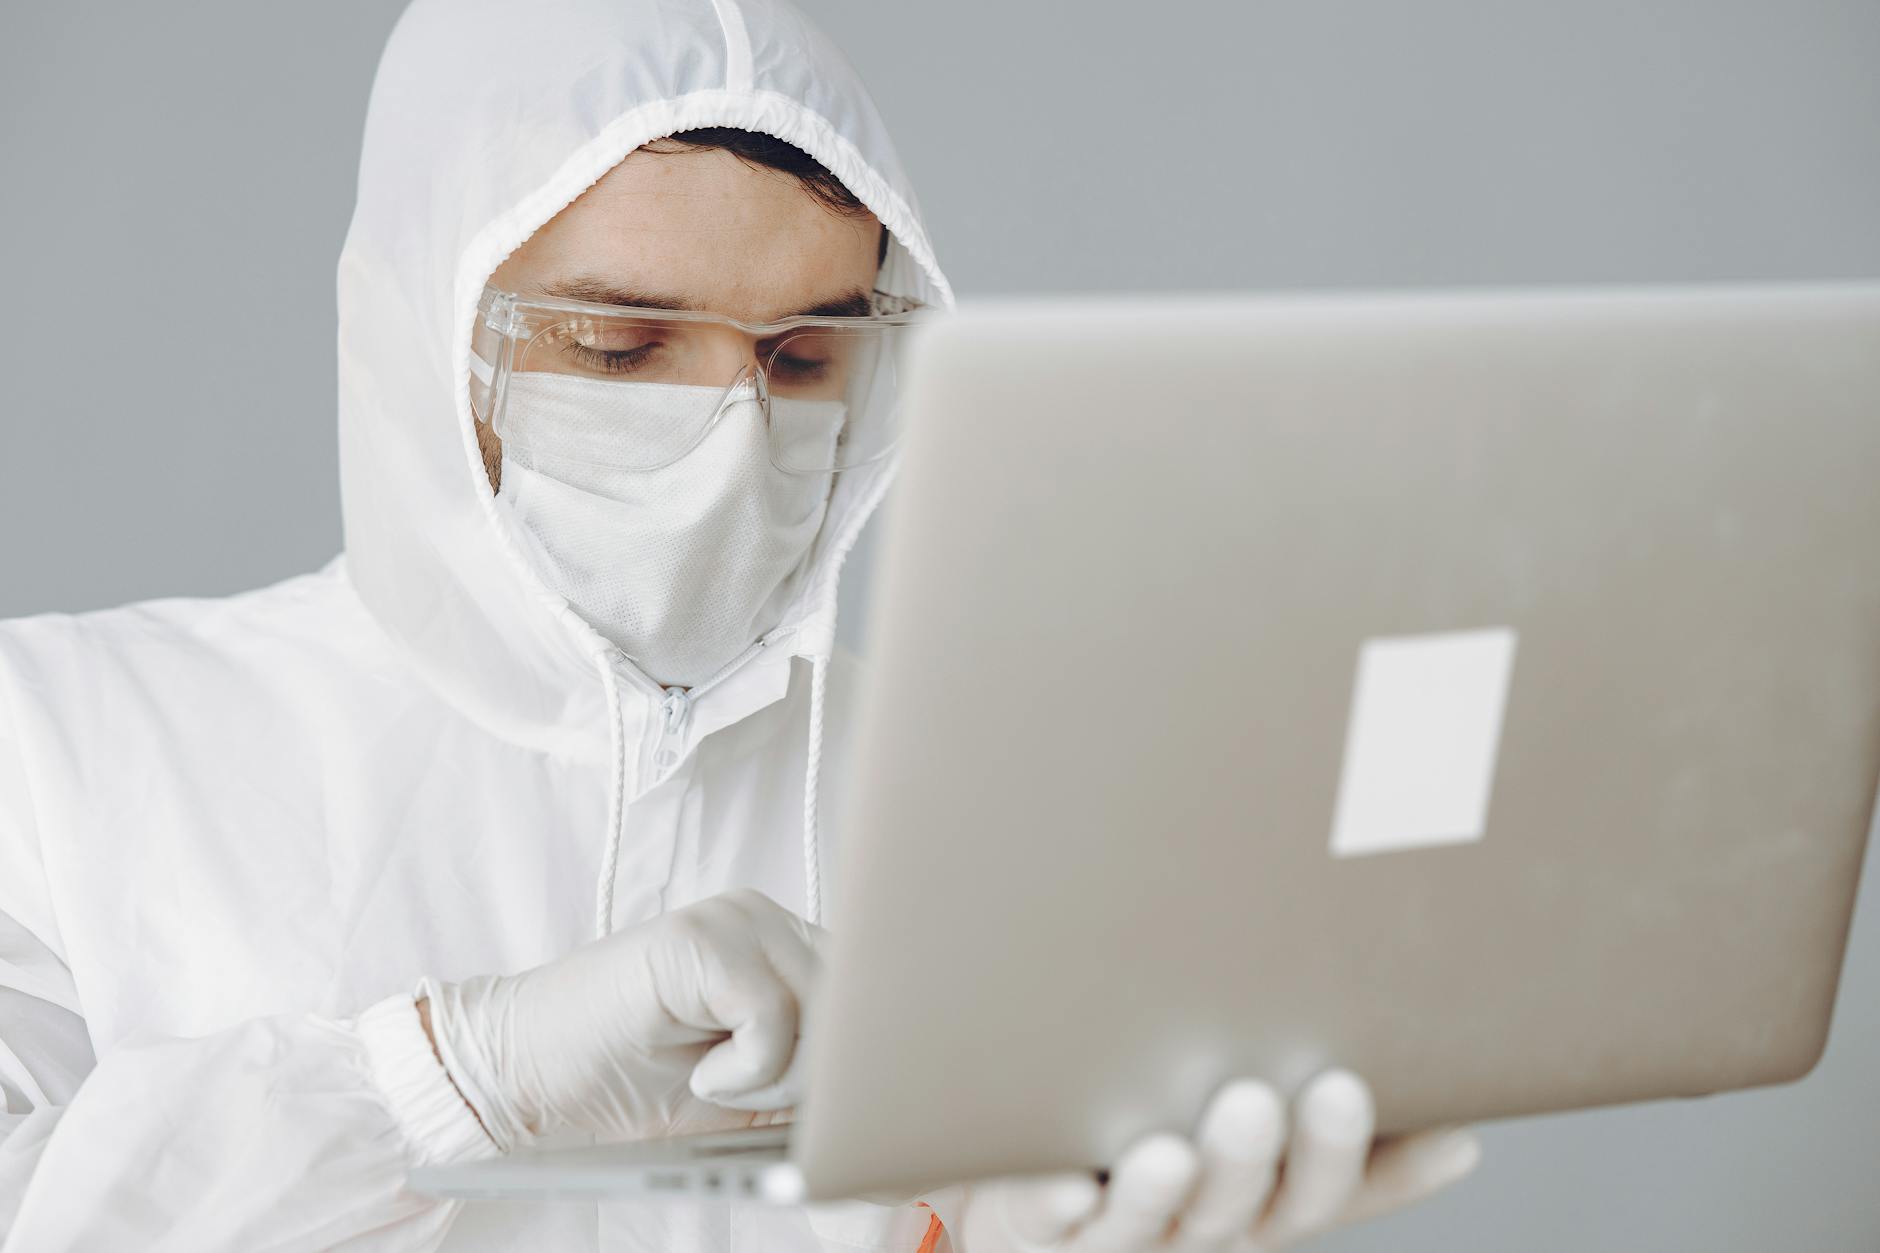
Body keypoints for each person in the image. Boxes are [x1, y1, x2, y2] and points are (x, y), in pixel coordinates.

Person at [0, 0, 1480, 1249]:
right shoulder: (58, 752)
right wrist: (457, 1078)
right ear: (414, 330)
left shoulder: (980, 815)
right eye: (618, 345)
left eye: (804, 357)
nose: (729, 445)